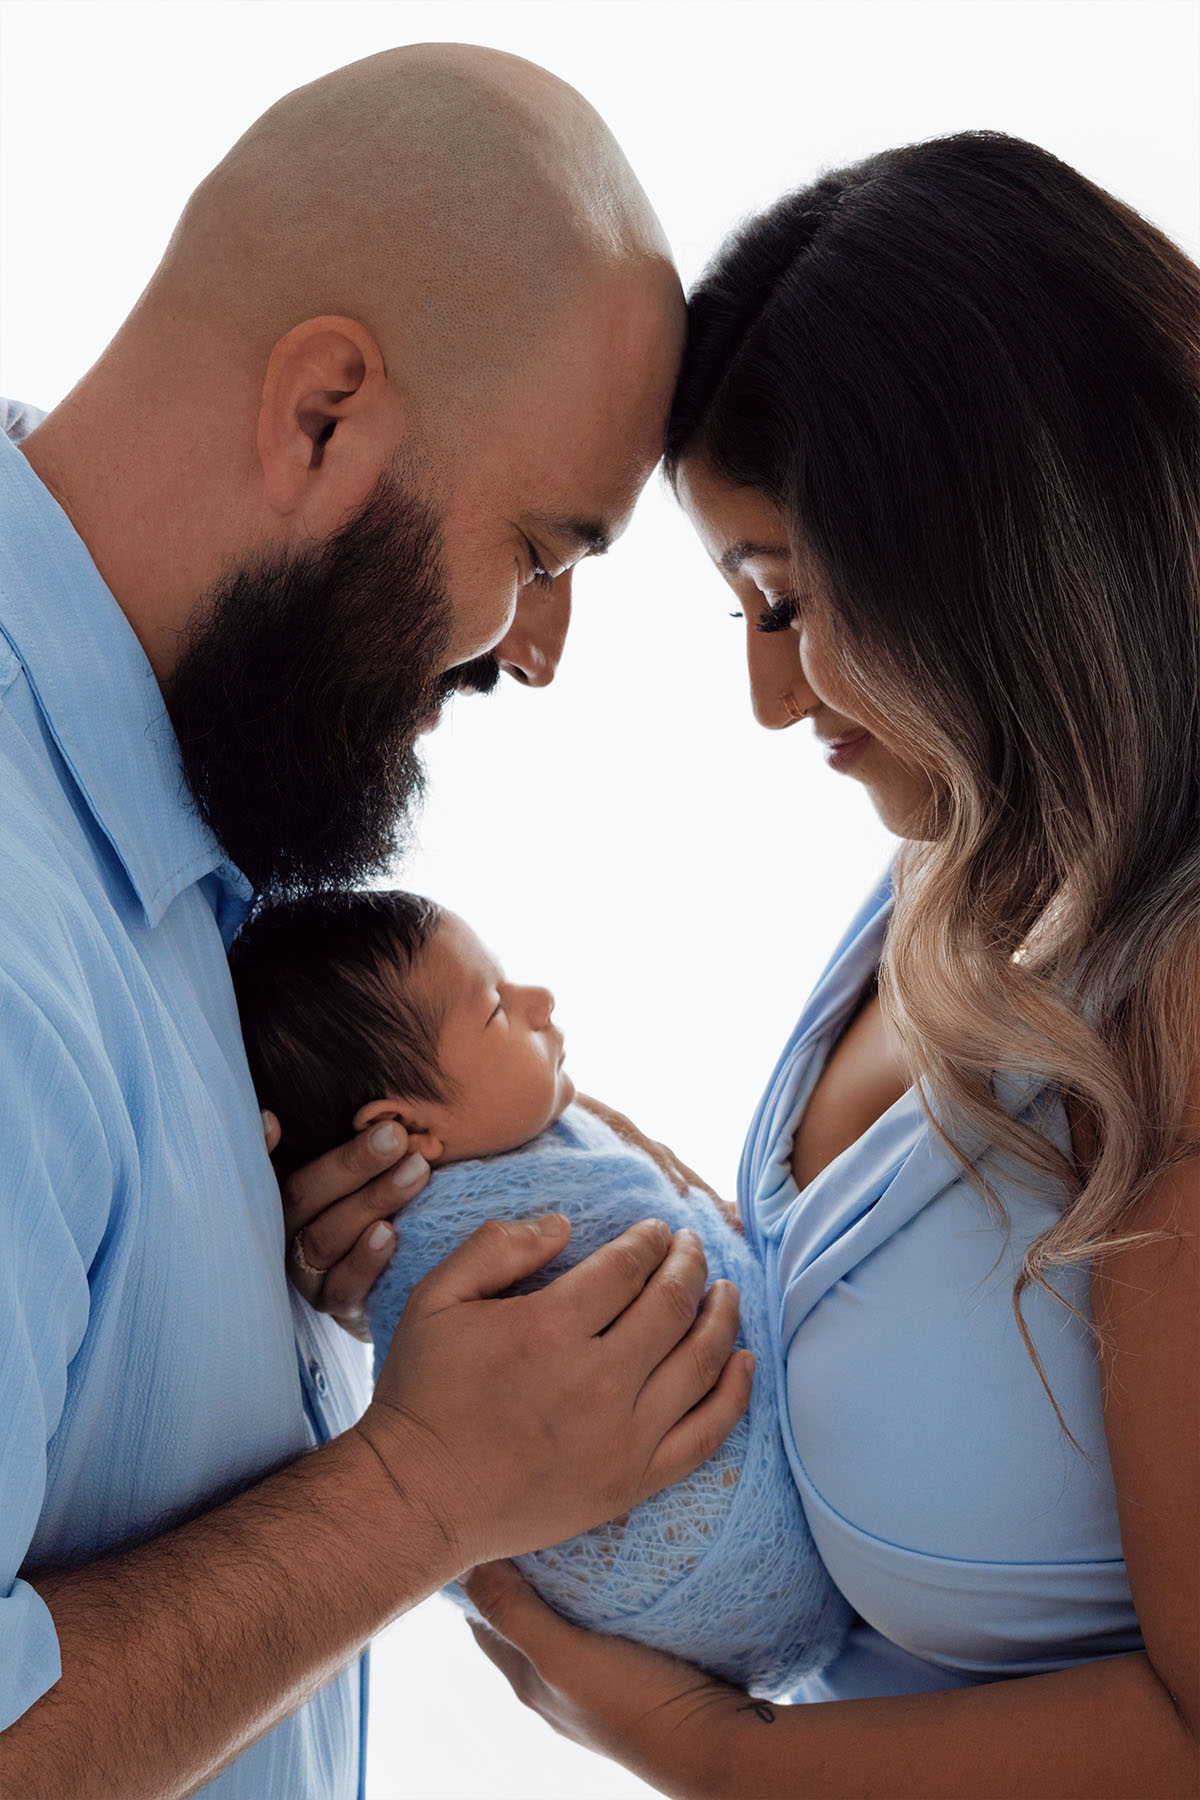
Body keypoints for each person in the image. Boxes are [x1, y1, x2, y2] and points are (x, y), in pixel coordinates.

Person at [0, 46, 755, 1800]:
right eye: (543, 547)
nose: (536, 649)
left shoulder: (179, 841)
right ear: (324, 410)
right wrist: (419, 1493)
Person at [452, 133, 1200, 1797]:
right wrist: (546, 1181)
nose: (773, 700)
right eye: (747, 612)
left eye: (784, 601)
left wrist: (721, 1759)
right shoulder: (955, 871)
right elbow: (877, 1295)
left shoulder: (1175, 982)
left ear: (989, 545)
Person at [228, 886, 852, 1696]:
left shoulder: (507, 1147)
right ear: (407, 1132)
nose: (539, 1001)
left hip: (744, 1637)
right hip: (719, 1565)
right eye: (495, 1009)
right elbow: (662, 1233)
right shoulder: (488, 1230)